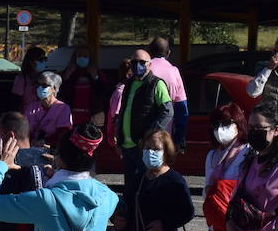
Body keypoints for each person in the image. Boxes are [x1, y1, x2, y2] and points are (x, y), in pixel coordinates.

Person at [115, 49, 173, 198]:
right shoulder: (128, 84)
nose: (137, 65)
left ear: (150, 64)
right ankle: (130, 212)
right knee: (129, 189)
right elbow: (123, 111)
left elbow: (167, 111)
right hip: (127, 146)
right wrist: (119, 139)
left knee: (145, 187)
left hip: (143, 146)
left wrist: (149, 136)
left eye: (142, 62)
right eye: (134, 62)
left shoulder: (156, 84)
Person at [202, 103, 249, 231]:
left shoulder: (248, 151)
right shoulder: (212, 155)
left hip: (238, 222)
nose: (220, 129)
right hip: (215, 221)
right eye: (216, 125)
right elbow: (206, 189)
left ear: (238, 123)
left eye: (226, 123)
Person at [148, 36, 189, 150]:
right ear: (168, 53)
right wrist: (179, 138)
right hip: (165, 137)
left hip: (142, 137)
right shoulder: (174, 71)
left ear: (149, 52)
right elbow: (182, 108)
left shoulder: (144, 70)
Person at [60, 46, 109, 126]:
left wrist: (95, 77)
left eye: (85, 56)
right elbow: (61, 93)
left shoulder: (98, 73)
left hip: (93, 117)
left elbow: (105, 92)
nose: (82, 58)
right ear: (75, 57)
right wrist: (66, 77)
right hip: (72, 116)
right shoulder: (68, 72)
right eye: (79, 55)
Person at [26, 71, 72, 146]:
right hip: (31, 146)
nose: (39, 87)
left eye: (44, 85)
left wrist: (45, 141)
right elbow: (24, 129)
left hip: (52, 148)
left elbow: (64, 133)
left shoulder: (63, 108)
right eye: (38, 84)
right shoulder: (31, 107)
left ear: (54, 88)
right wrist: (31, 140)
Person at [11, 46, 49, 114]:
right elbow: (16, 101)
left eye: (45, 59)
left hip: (44, 116)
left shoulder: (46, 78)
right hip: (27, 116)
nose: (43, 62)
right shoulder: (22, 79)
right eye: (40, 59)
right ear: (30, 61)